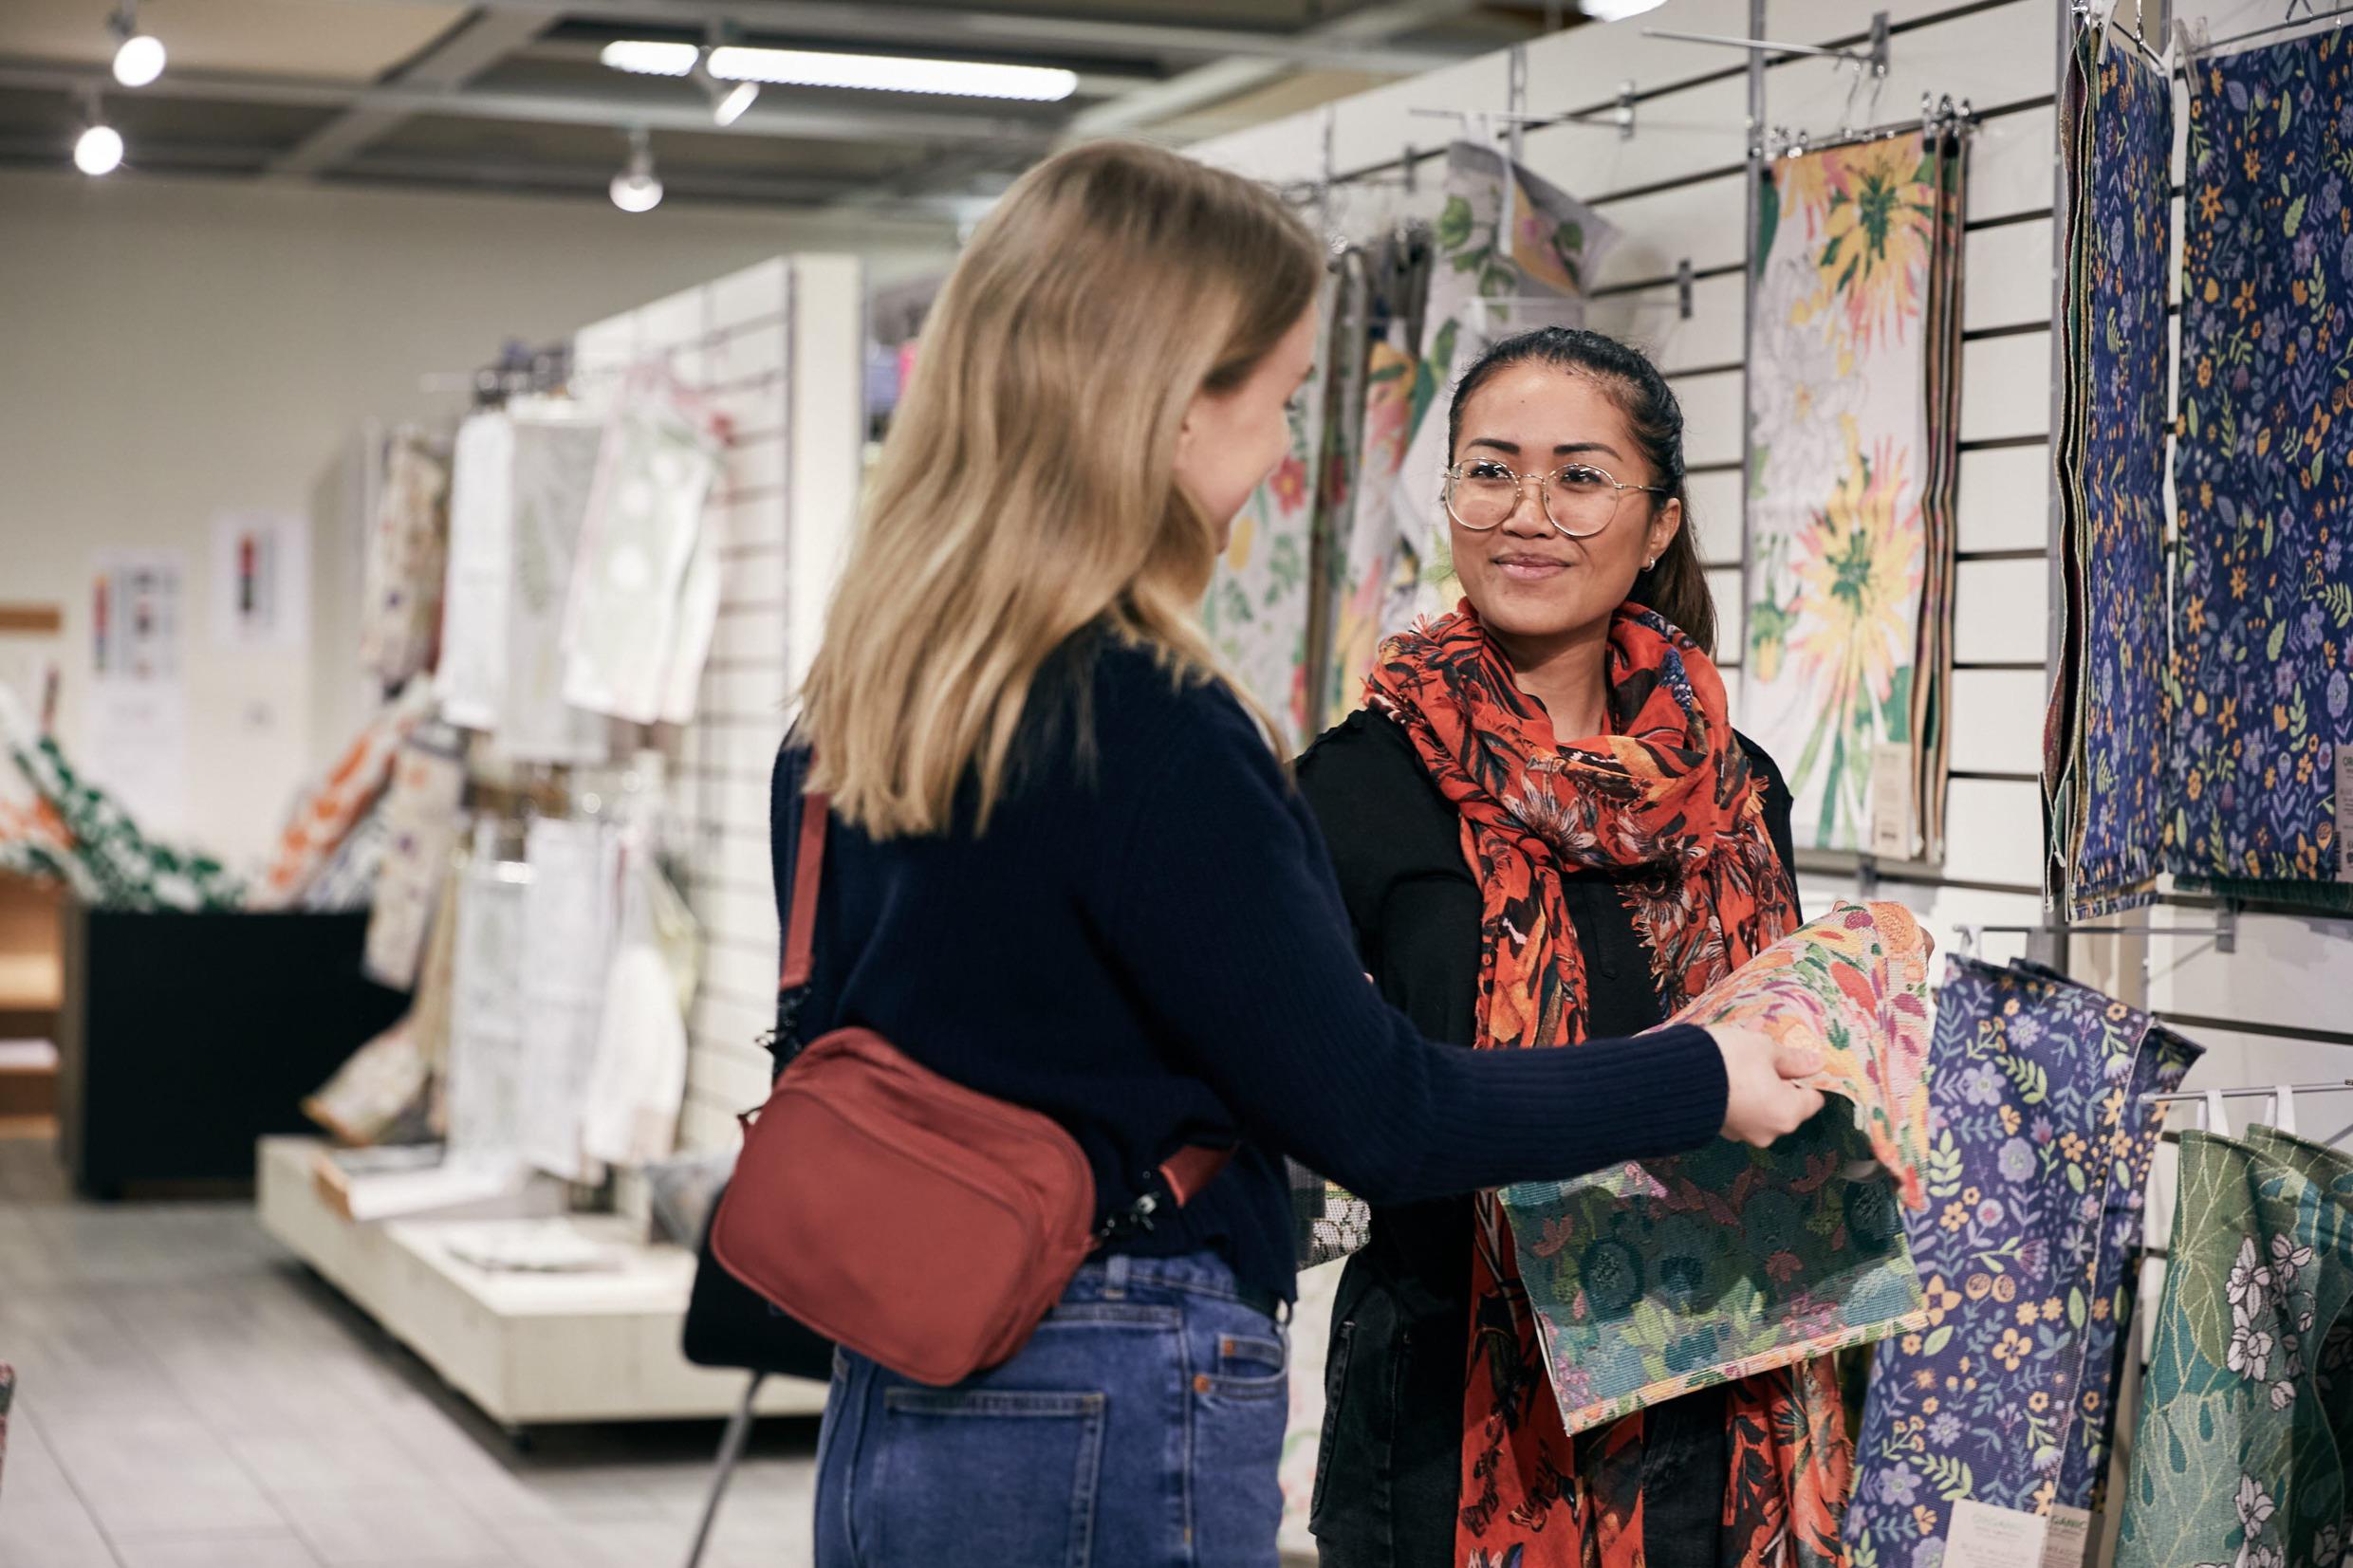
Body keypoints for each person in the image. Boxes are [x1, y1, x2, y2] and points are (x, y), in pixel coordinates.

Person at [781, 144, 1825, 1567]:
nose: (1285, 451)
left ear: (1657, 524)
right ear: (1162, 403)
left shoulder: (870, 696)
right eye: (1275, 398)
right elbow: (1377, 1112)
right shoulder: (1153, 723)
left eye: (1584, 478)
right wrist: (1702, 1074)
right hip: (1111, 1370)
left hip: (913, 1356)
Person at [1299, 325, 1847, 1567]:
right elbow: (1321, 1094)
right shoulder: (1358, 789)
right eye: (1489, 471)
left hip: (1719, 1403)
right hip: (1458, 1419)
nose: (1526, 513)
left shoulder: (1738, 788)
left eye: (1580, 476)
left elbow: (1788, 1062)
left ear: (1658, 524)